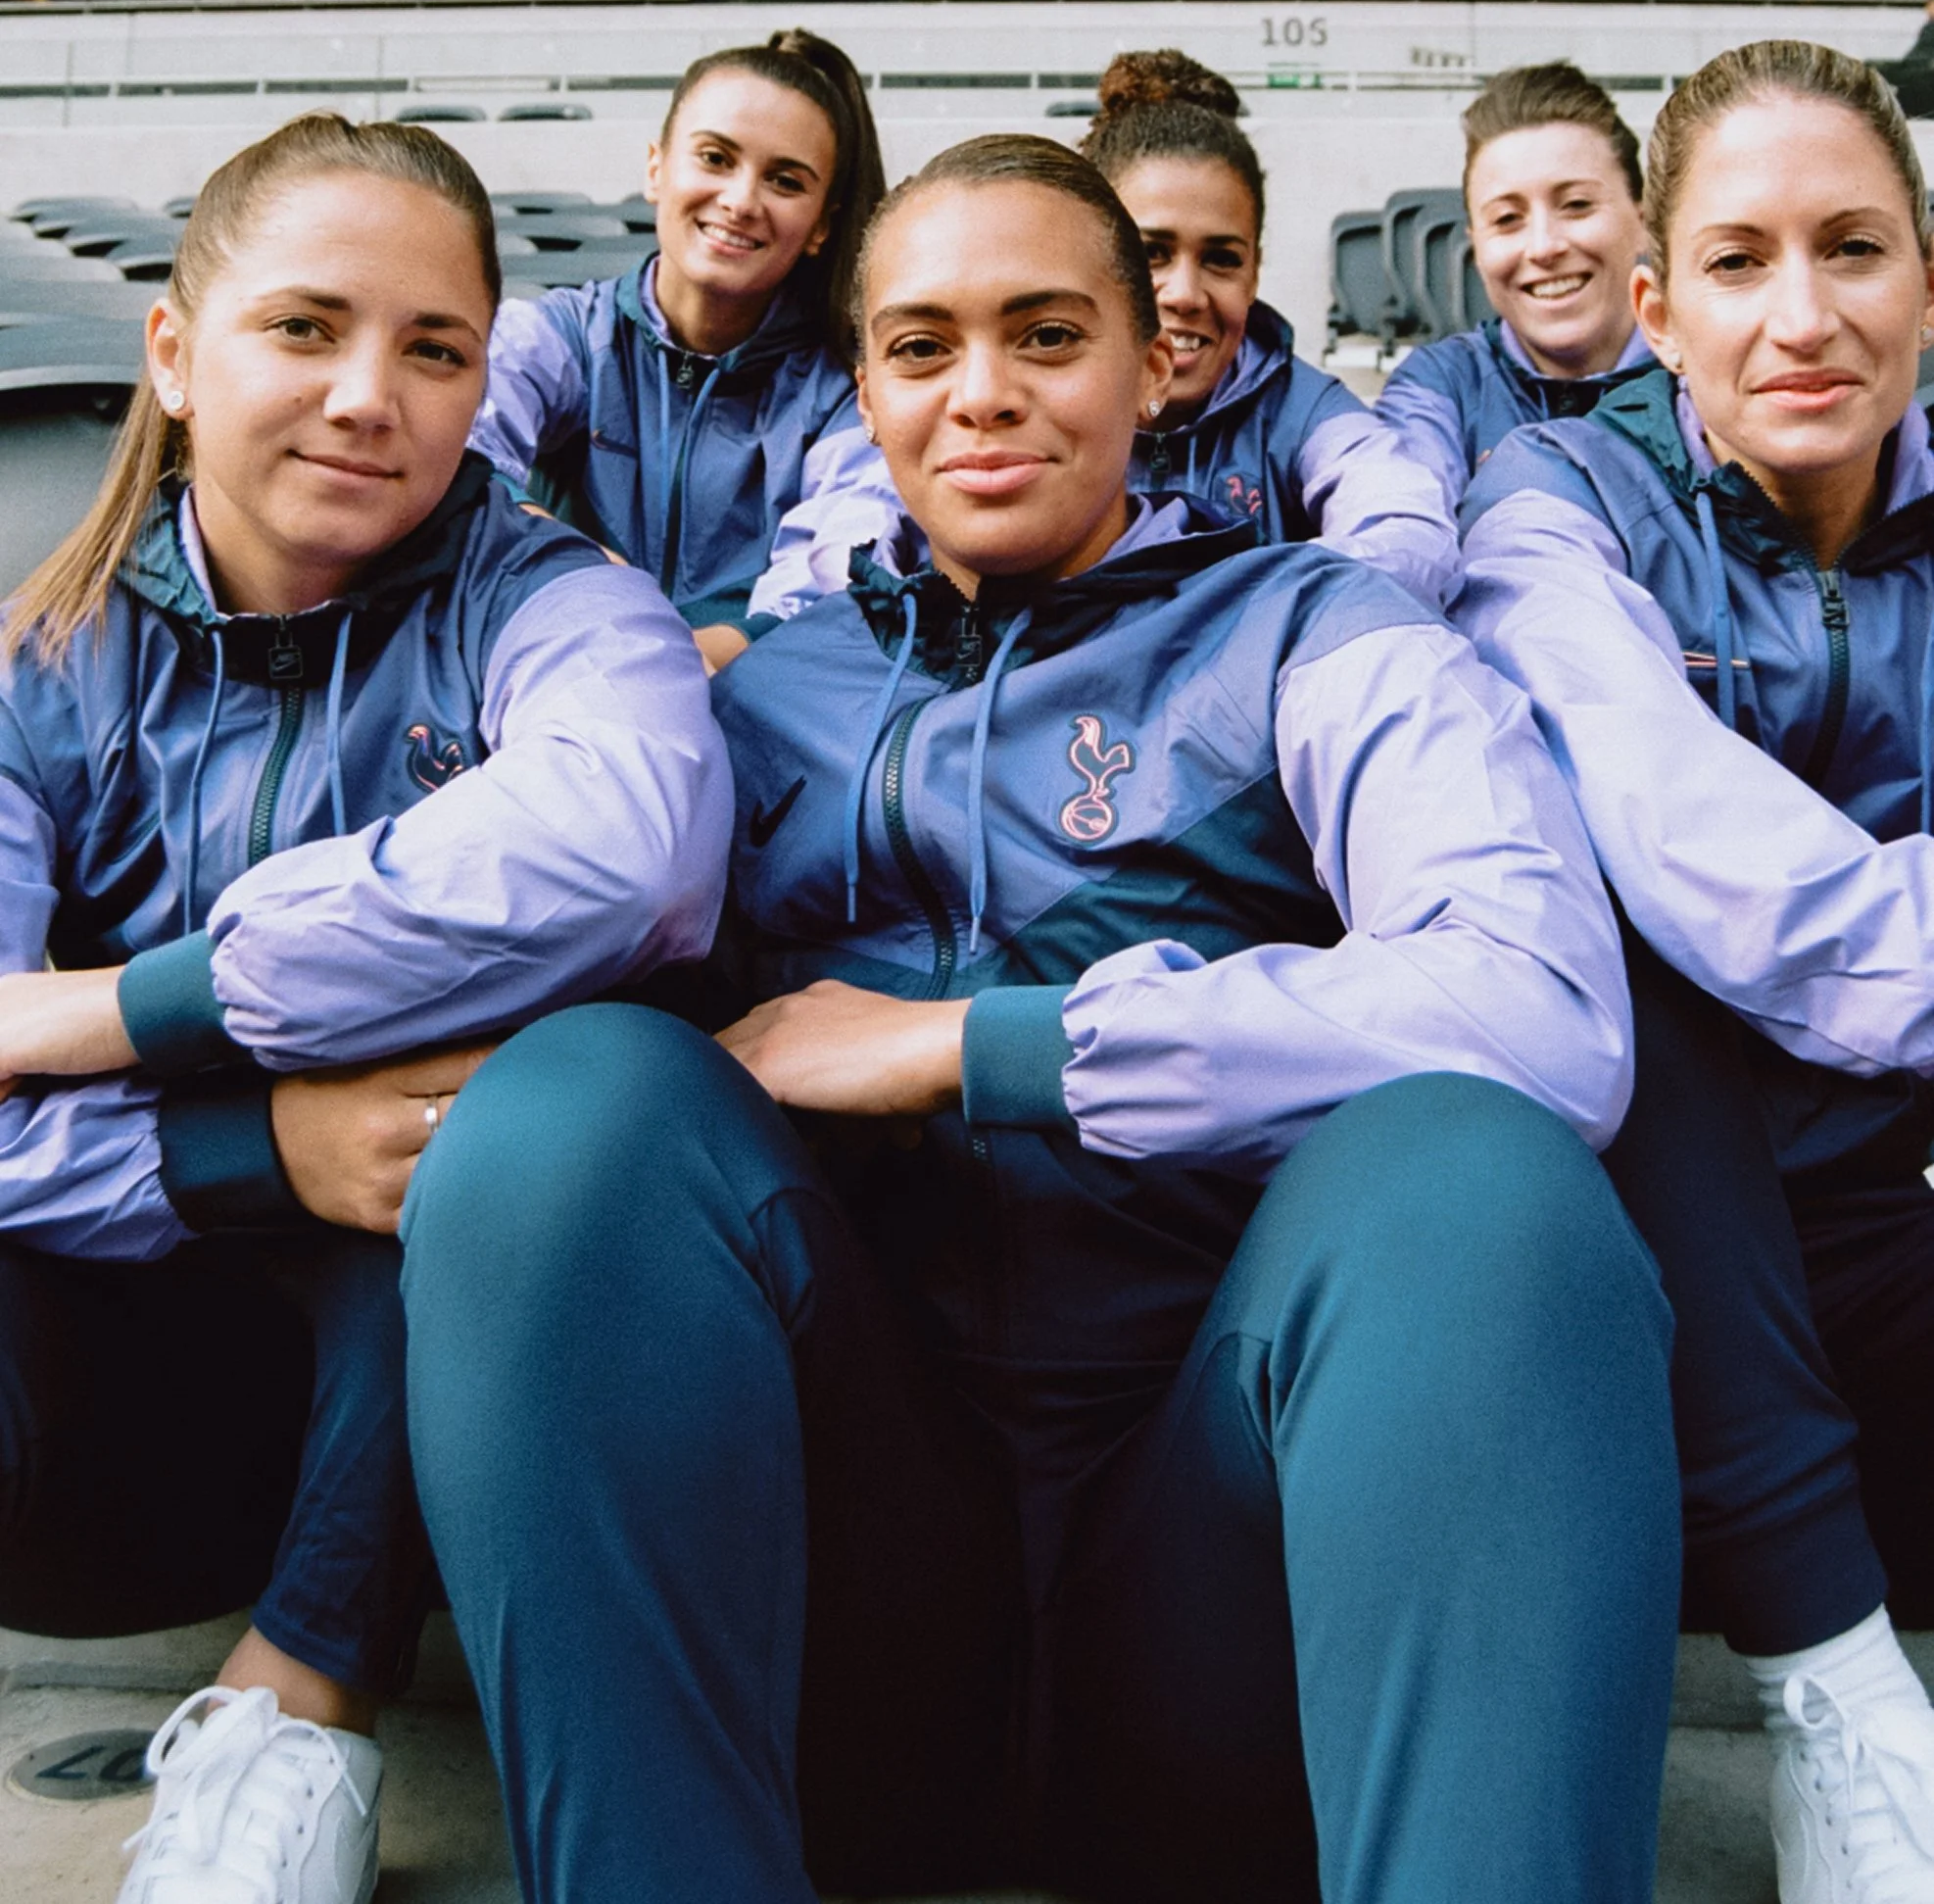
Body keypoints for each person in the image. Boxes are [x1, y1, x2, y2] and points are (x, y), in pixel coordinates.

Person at [400, 132, 1680, 1904]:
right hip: (856, 1596)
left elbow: (1541, 1007)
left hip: (1222, 1587)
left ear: (1156, 360)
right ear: (861, 386)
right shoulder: (752, 696)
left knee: (1478, 1180)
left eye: (1044, 334)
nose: (980, 396)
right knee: (572, 1105)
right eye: (921, 348)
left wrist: (982, 1048)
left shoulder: (1312, 629)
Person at [0, 114, 728, 1904]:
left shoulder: (553, 605)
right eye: (304, 328)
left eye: (434, 350)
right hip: (84, 1430)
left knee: (508, 1134)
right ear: (174, 351)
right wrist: (255, 1151)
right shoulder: (40, 658)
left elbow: (633, 850)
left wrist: (139, 1012)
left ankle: (295, 1720)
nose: (366, 397)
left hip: (408, 1421)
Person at [1456, 40, 1934, 1904]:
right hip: (1667, 1256)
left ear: (1925, 278)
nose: (1800, 316)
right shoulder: (1549, 504)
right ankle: (1825, 1683)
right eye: (1737, 261)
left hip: (1890, 1216)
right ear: (1652, 307)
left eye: (1853, 250)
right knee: (1615, 949)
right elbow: (1698, 873)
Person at [746, 47, 1457, 616]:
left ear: (1257, 267)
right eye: (1151, 253)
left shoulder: (1302, 406)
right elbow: (832, 551)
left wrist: (1240, 629)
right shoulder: (963, 410)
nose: (1184, 292)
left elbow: (1407, 531)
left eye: (1221, 258)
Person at [469, 27, 886, 670]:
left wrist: (680, 660)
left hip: (758, 700)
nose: (741, 201)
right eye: (716, 158)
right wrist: (563, 561)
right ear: (657, 168)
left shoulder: (844, 394)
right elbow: (457, 449)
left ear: (821, 227)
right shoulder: (567, 334)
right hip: (563, 671)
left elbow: (833, 573)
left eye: (784, 180)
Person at [1378, 59, 1653, 508]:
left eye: (1577, 205)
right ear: (1476, 246)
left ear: (1644, 221)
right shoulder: (1442, 388)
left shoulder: (1709, 374)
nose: (1543, 247)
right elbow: (1402, 524)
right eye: (1507, 219)